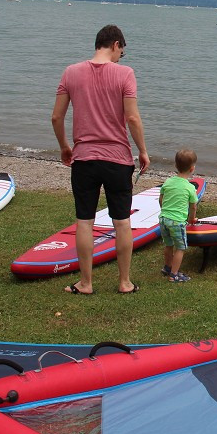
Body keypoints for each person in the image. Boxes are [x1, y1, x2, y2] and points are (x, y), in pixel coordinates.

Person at [52, 24, 150, 295]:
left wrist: (64, 146)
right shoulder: (124, 74)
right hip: (118, 159)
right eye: (122, 52)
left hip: (83, 159)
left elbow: (56, 117)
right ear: (116, 44)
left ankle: (85, 283)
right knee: (122, 222)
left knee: (84, 221)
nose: (121, 57)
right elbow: (131, 117)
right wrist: (142, 150)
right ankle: (124, 282)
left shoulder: (71, 72)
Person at [159, 149, 199, 283]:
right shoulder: (190, 188)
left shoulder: (168, 182)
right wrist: (191, 219)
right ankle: (174, 274)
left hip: (164, 219)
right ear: (192, 169)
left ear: (176, 166)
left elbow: (161, 199)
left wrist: (164, 210)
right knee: (180, 247)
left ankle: (167, 267)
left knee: (168, 245)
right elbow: (193, 206)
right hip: (177, 222)